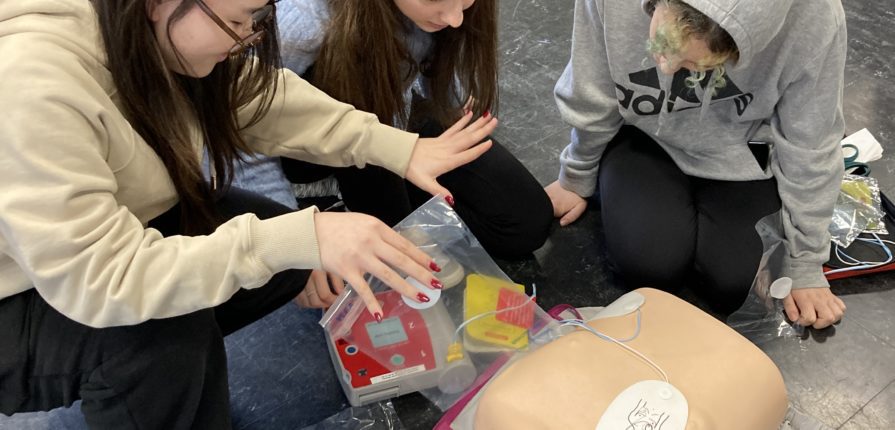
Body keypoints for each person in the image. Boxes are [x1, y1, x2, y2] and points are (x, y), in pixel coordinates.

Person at [0, 0, 499, 427]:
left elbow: (259, 96)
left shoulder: (140, 30)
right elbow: (101, 277)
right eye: (236, 22)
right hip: (23, 290)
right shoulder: (31, 86)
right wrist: (296, 238)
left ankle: (173, 387)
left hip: (87, 243)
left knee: (269, 249)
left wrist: (399, 149)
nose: (245, 40)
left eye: (256, 19)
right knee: (162, 336)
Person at [546, 0, 848, 328]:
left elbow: (811, 142)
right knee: (649, 266)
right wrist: (577, 174)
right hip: (645, 137)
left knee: (737, 282)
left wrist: (805, 260)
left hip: (742, 145)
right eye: (659, 46)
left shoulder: (815, 16)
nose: (665, 68)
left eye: (693, 63)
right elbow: (593, 85)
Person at [231, 0, 553, 307]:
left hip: (393, 126)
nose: (455, 18)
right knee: (396, 275)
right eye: (433, 1)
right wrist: (291, 237)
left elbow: (425, 70)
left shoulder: (436, 17)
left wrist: (448, 109)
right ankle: (348, 211)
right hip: (313, 164)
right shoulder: (304, 25)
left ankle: (386, 208)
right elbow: (243, 140)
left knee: (525, 222)